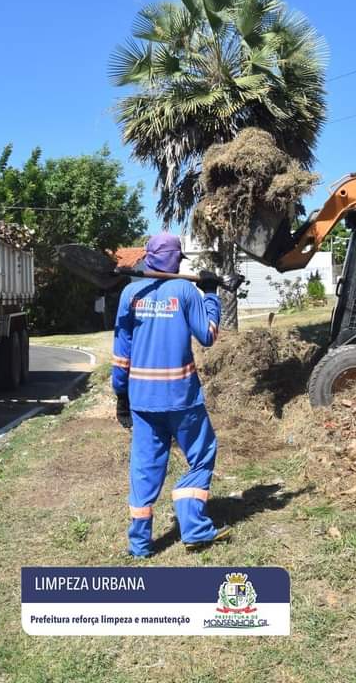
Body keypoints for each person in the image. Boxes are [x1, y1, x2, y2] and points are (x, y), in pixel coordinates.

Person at [111, 233, 231, 558]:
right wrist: (209, 294)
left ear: (148, 257)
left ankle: (139, 545)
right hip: (182, 399)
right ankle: (193, 526)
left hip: (143, 399)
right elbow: (207, 335)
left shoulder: (130, 293)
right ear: (177, 260)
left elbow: (122, 352)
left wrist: (120, 394)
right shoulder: (184, 291)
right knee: (203, 452)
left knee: (144, 467)